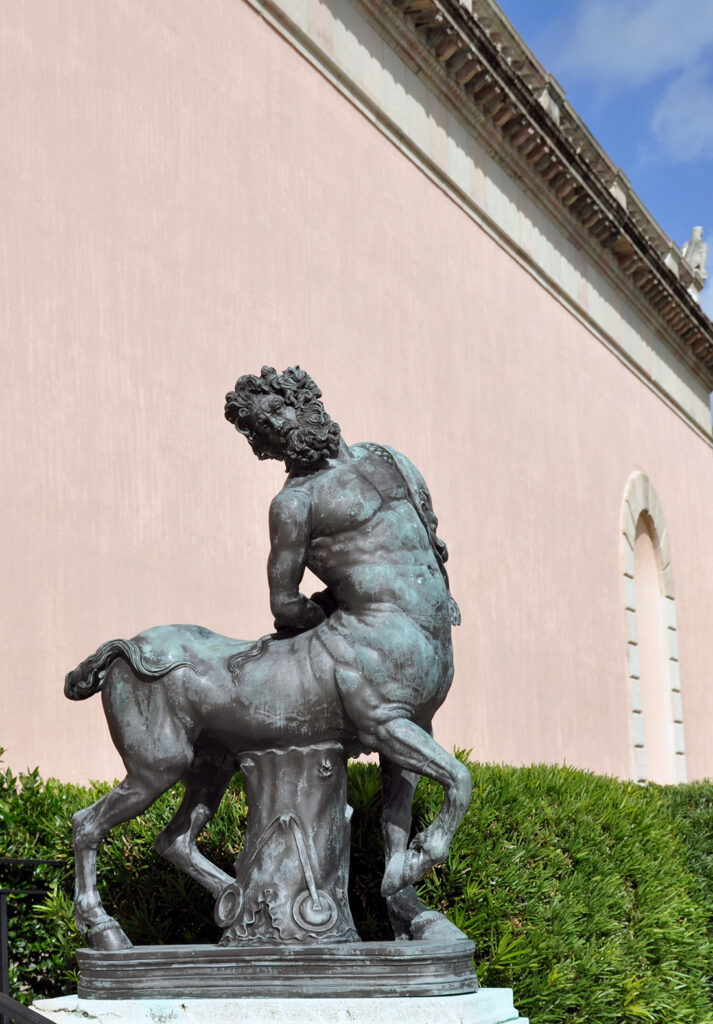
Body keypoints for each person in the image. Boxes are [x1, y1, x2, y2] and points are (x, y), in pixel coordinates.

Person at [225, 366, 471, 930]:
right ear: (264, 446)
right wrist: (335, 622)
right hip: (367, 645)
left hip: (429, 641)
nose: (280, 431)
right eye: (266, 430)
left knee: (403, 773)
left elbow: (431, 542)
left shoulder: (389, 458)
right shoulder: (294, 504)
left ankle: (397, 894)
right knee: (430, 762)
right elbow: (283, 602)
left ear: (306, 400)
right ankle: (404, 885)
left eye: (281, 412)